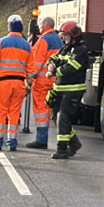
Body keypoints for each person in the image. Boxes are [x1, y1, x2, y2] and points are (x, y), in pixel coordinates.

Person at [0, 14, 33, 151]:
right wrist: (29, 84)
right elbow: (30, 69)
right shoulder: (27, 45)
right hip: (19, 84)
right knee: (14, 113)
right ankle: (12, 142)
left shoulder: (1, 42)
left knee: (0, 112)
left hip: (3, 83)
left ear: (9, 26)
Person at [45, 21, 87, 159]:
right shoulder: (65, 48)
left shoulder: (81, 50)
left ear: (74, 35)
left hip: (73, 90)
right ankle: (74, 143)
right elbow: (55, 57)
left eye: (66, 36)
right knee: (58, 119)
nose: (64, 38)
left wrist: (54, 72)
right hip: (60, 90)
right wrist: (50, 64)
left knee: (63, 117)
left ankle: (61, 149)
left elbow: (71, 67)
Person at [25, 17, 62, 149]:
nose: (39, 27)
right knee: (54, 111)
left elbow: (37, 63)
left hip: (42, 82)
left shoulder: (44, 40)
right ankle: (62, 141)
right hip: (55, 81)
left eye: (41, 24)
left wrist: (30, 79)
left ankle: (41, 139)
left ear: (46, 25)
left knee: (41, 111)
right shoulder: (59, 39)